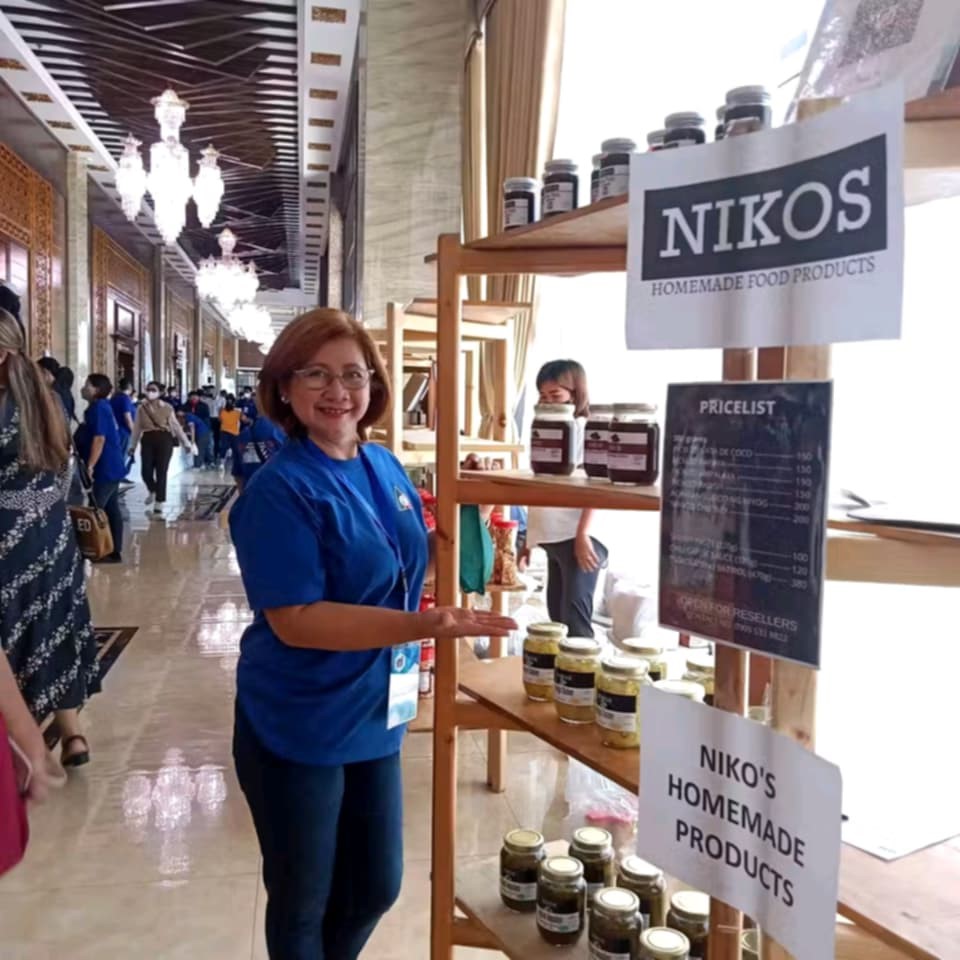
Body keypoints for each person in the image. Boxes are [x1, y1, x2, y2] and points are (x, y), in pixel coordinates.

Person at [229, 309, 514, 959]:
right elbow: (297, 621)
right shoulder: (280, 488)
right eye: (316, 374)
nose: (338, 391)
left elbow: (400, 560)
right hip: (299, 713)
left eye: (353, 374)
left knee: (376, 884)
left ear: (375, 385)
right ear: (284, 388)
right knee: (304, 898)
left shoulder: (383, 465)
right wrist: (426, 624)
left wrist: (474, 529)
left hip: (378, 703)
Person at [0, 308, 99, 768]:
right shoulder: (47, 400)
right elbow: (66, 471)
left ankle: (20, 742)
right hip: (53, 533)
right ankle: (73, 735)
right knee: (56, 624)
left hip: (7, 537)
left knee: (13, 631)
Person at [525, 359, 608, 636]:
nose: (548, 402)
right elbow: (540, 485)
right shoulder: (545, 427)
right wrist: (529, 539)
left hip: (577, 537)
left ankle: (585, 678)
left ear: (575, 394)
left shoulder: (585, 429)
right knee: (557, 619)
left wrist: (583, 533)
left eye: (555, 395)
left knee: (576, 622)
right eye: (543, 396)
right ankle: (560, 678)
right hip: (553, 537)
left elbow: (595, 486)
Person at [77, 373, 127, 563]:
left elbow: (99, 439)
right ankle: (114, 550)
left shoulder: (99, 408)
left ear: (96, 389)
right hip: (113, 466)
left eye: (87, 385)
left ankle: (95, 549)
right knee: (112, 509)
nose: (84, 388)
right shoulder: (101, 407)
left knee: (95, 509)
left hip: (105, 467)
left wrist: (90, 465)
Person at [129, 381, 193, 516]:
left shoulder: (167, 408)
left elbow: (176, 427)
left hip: (164, 439)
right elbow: (136, 429)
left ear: (159, 393)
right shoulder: (141, 408)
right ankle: (152, 490)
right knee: (145, 470)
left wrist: (186, 444)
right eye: (148, 389)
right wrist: (132, 446)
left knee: (161, 470)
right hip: (147, 439)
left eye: (153, 390)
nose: (150, 392)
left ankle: (159, 501)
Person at [232, 407, 285, 492]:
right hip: (277, 493)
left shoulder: (242, 436)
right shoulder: (281, 434)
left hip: (252, 492)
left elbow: (238, 475)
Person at [110, 377, 137, 464]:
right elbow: (127, 418)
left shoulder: (114, 398)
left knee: (118, 455)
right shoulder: (125, 399)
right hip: (124, 432)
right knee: (122, 456)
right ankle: (119, 476)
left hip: (116, 430)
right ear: (130, 387)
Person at [218, 395, 242, 463]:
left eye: (230, 401)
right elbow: (219, 420)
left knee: (229, 447)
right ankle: (223, 462)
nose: (229, 402)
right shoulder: (237, 411)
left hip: (230, 432)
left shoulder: (237, 411)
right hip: (229, 431)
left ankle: (225, 462)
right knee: (228, 447)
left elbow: (219, 420)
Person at [211, 388, 227, 463]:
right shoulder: (207, 400)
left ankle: (219, 454)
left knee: (218, 438)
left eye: (214, 391)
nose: (212, 392)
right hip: (210, 419)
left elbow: (223, 409)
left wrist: (221, 418)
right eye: (211, 391)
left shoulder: (222, 399)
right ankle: (214, 454)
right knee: (212, 438)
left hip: (219, 420)